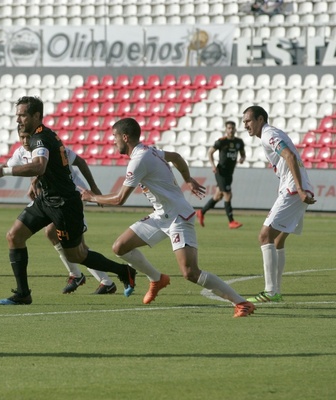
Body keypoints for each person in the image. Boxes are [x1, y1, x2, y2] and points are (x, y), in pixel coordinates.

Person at [80, 117, 256, 318]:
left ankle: (242, 303)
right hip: (161, 216)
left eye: (115, 136)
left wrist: (91, 197)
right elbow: (177, 157)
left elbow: (120, 198)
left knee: (190, 272)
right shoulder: (150, 151)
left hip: (178, 217)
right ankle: (157, 279)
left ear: (125, 137)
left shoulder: (139, 160)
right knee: (120, 247)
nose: (113, 141)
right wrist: (187, 179)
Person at [0, 96, 136, 305]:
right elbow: (43, 169)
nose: (19, 120)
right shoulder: (39, 137)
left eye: (23, 115)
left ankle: (124, 271)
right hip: (46, 200)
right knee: (14, 236)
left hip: (64, 205)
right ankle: (23, 294)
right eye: (17, 115)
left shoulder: (41, 139)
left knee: (76, 255)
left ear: (36, 115)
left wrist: (3, 171)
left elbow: (40, 166)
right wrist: (34, 181)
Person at [3, 127, 117, 294]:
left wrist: (94, 188)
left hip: (73, 195)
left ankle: (106, 281)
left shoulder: (50, 146)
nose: (26, 141)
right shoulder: (21, 153)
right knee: (52, 234)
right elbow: (10, 166)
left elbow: (80, 162)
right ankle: (77, 275)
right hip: (53, 200)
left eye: (28, 137)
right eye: (22, 137)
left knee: (77, 245)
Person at [242, 106, 315, 303]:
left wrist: (298, 189)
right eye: (244, 122)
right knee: (278, 241)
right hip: (297, 188)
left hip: (293, 190)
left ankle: (270, 291)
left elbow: (289, 156)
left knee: (265, 235)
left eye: (248, 121)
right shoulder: (271, 134)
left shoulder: (268, 134)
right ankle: (276, 291)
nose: (245, 125)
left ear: (259, 119)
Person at [196, 120, 246, 229]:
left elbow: (243, 154)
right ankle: (231, 222)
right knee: (228, 195)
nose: (231, 130)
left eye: (232, 128)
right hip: (221, 172)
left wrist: (242, 159)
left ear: (235, 129)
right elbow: (210, 153)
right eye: (229, 128)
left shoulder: (239, 142)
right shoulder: (221, 142)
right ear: (226, 129)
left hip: (229, 173)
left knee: (218, 196)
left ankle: (201, 212)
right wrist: (213, 165)